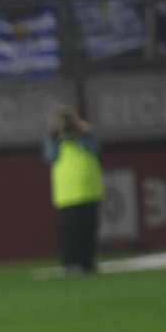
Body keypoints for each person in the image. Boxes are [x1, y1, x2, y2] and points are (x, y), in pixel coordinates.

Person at [42, 107, 103, 274]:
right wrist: (55, 135)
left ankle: (87, 262)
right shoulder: (55, 140)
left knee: (88, 229)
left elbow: (96, 148)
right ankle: (71, 263)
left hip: (89, 191)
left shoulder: (85, 136)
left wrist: (81, 132)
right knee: (70, 231)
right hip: (68, 193)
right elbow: (49, 156)